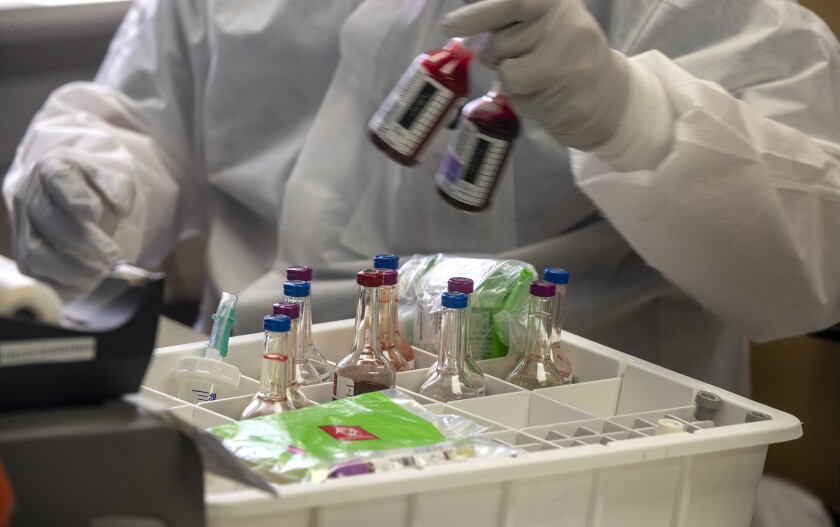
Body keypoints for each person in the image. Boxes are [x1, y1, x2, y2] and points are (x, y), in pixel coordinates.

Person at [3, 0, 840, 399]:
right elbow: (138, 118)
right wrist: (95, 176)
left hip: (577, 435)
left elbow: (821, 259)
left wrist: (638, 118)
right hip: (258, 405)